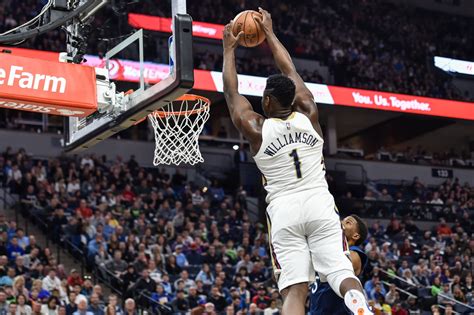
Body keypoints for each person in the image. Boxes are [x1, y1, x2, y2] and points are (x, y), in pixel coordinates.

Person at [222, 7, 372, 315]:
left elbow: (230, 93)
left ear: (265, 101)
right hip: (319, 202)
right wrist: (272, 34)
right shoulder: (309, 113)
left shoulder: (256, 128)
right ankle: (362, 309)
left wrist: (228, 50)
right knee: (342, 272)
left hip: (284, 210)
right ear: (292, 98)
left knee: (295, 288)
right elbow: (290, 71)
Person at [309, 215, 369, 315]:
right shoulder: (324, 252)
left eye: (348, 222)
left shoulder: (355, 253)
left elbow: (347, 263)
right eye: (342, 220)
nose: (341, 223)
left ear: (355, 236)